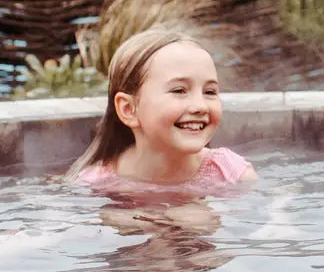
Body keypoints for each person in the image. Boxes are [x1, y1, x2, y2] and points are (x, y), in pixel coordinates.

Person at [71, 28, 257, 192]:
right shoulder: (96, 184)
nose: (200, 106)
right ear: (129, 109)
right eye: (179, 90)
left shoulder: (231, 173)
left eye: (209, 91)